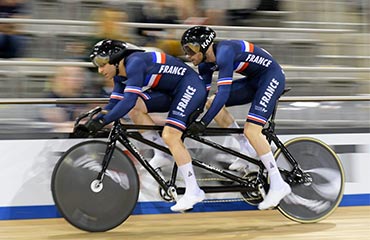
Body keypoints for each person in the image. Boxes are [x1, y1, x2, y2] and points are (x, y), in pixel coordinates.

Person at [83, 39, 208, 212]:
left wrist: (103, 121)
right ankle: (161, 153)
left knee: (171, 135)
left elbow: (127, 101)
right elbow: (115, 103)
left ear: (114, 58)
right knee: (136, 109)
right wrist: (97, 118)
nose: (100, 70)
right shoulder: (120, 73)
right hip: (172, 91)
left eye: (101, 64)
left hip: (190, 87)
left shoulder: (135, 63)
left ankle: (194, 191)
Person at [180, 26, 291, 210]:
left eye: (190, 50)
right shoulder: (205, 64)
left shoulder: (224, 52)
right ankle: (246, 150)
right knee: (210, 103)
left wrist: (204, 122)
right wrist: (191, 117)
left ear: (204, 45)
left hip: (272, 77)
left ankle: (279, 185)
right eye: (185, 51)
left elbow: (224, 93)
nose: (188, 56)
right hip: (255, 81)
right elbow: (202, 95)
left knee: (251, 130)